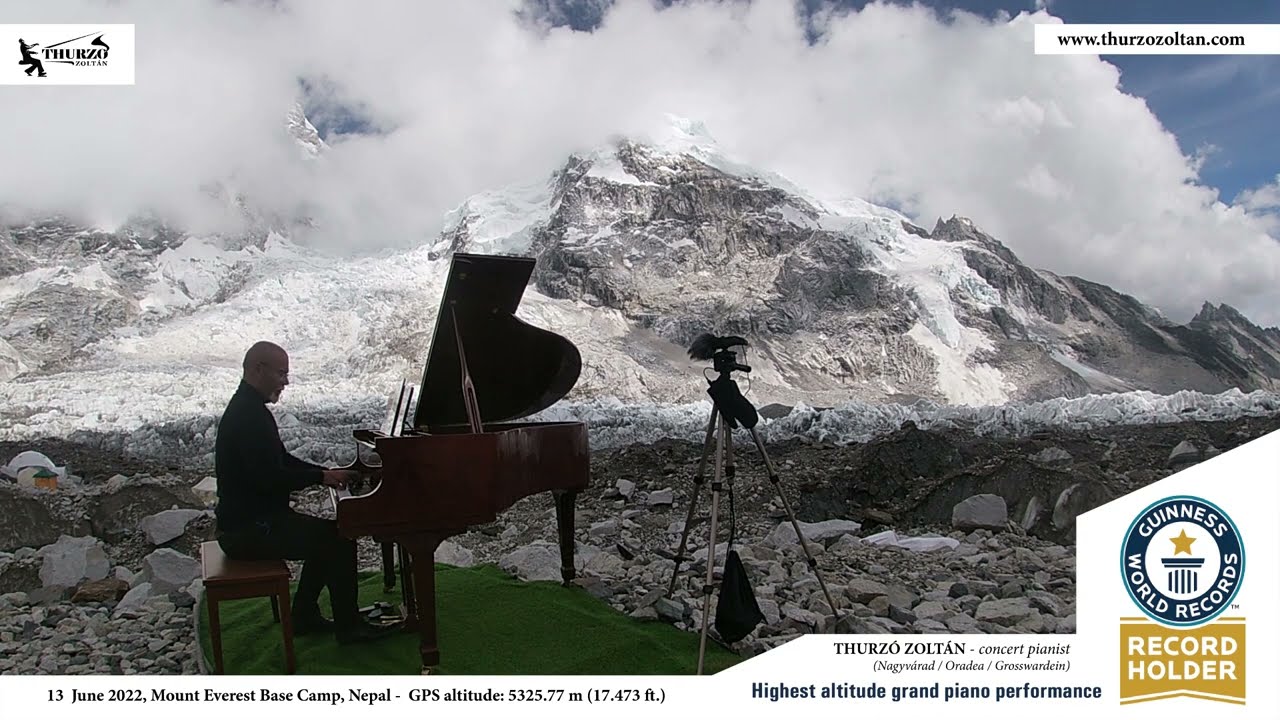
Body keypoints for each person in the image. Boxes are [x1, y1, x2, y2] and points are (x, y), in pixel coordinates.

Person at [213, 341, 390, 644]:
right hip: (247, 531)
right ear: (258, 369)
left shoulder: (249, 408)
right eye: (281, 373)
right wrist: (321, 476)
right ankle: (348, 628)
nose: (286, 381)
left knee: (329, 535)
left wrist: (325, 473)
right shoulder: (249, 417)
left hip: (251, 522)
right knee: (338, 539)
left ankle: (305, 616)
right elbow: (270, 478)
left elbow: (281, 460)